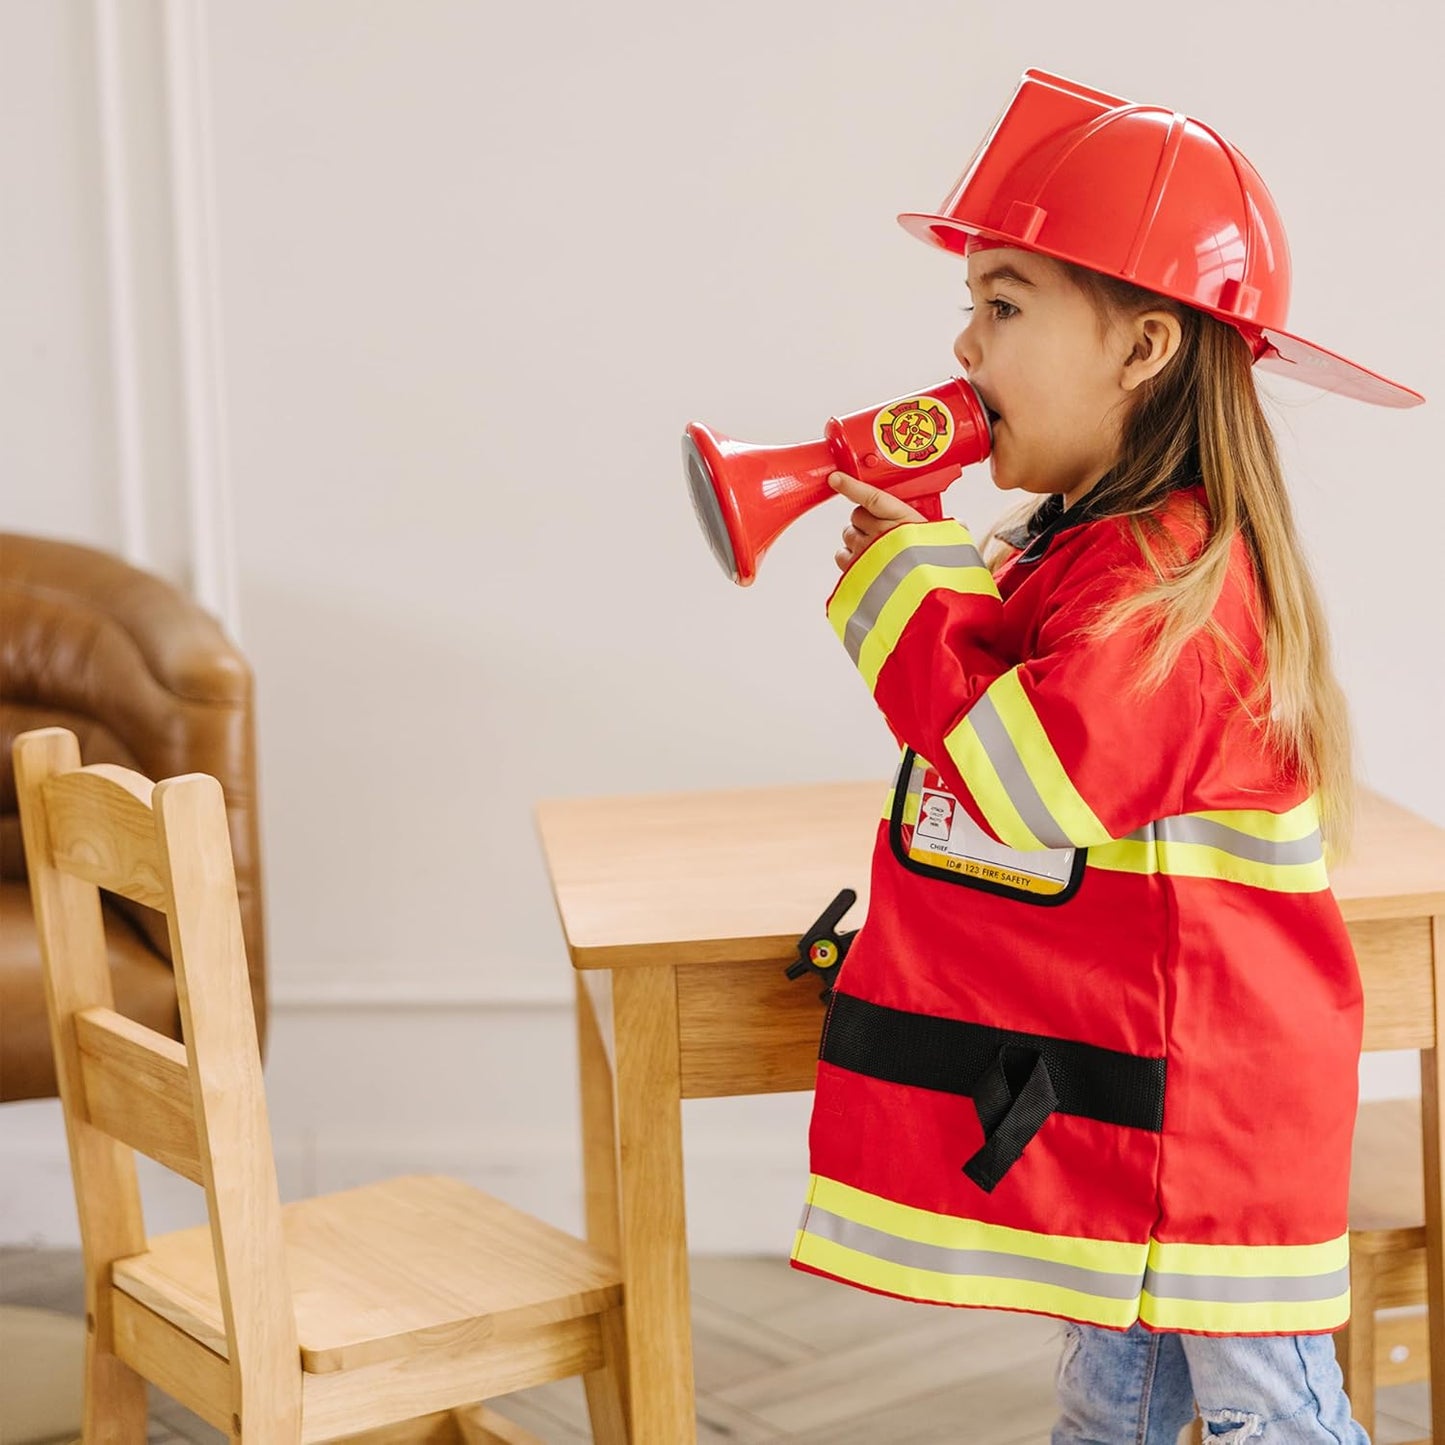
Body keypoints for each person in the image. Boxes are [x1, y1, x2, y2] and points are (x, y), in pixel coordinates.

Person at [791, 69, 1424, 1444]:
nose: (962, 348)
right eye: (968, 306)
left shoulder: (1172, 583)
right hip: (1133, 1095)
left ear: (1141, 349)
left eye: (1002, 305)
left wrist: (908, 589)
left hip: (1203, 1126)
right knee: (1110, 1402)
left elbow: (1028, 789)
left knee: (1269, 1415)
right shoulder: (1087, 557)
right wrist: (932, 581)